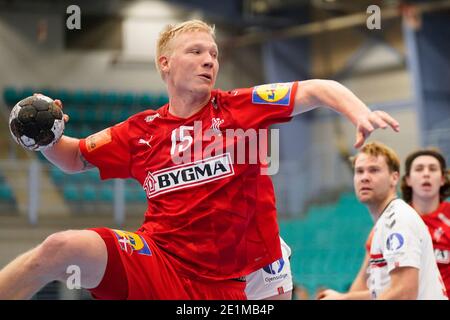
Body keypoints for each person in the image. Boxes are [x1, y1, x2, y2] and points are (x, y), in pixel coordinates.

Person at [0, 20, 400, 300]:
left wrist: (358, 111)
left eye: (213, 53)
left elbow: (316, 88)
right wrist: (47, 139)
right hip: (159, 261)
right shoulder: (141, 130)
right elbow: (74, 156)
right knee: (61, 246)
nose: (210, 59)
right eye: (195, 51)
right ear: (165, 64)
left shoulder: (240, 108)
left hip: (227, 282)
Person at [317, 142, 447, 299]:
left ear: (394, 178)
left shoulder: (398, 219)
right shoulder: (385, 223)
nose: (365, 177)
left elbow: (404, 294)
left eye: (374, 170)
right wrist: (343, 298)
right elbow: (380, 292)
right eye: (359, 171)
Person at [401, 148, 450, 293]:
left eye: (433, 169)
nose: (426, 174)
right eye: (419, 169)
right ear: (408, 179)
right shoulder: (394, 220)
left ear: (442, 179)